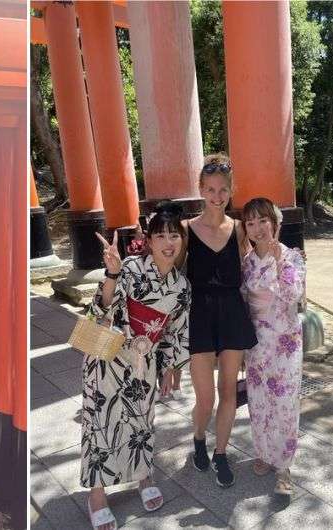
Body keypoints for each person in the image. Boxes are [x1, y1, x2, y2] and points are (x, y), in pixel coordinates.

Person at [82, 202, 190, 530]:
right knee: (100, 421)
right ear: (150, 239)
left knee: (142, 422)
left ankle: (143, 476)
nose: (169, 242)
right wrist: (112, 273)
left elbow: (176, 331)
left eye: (175, 235)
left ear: (182, 242)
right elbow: (102, 307)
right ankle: (97, 495)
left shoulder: (182, 288)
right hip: (108, 354)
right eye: (162, 235)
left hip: (144, 362)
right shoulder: (130, 266)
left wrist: (172, 367)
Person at [180, 153, 257, 488]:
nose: (216, 196)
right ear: (201, 189)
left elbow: (257, 263)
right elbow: (170, 272)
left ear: (230, 190)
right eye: (210, 189)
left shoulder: (241, 229)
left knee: (228, 390)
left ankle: (221, 453)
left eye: (222, 189)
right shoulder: (185, 230)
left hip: (231, 315)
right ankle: (199, 437)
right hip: (198, 317)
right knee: (205, 398)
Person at [240, 197, 305, 497]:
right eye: (250, 223)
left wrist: (279, 262)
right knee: (259, 401)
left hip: (285, 342)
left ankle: (284, 466)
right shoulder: (247, 263)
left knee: (285, 403)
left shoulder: (292, 257)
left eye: (262, 220)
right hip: (256, 342)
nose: (257, 228)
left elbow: (293, 296)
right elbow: (242, 302)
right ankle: (265, 453)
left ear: (275, 222)